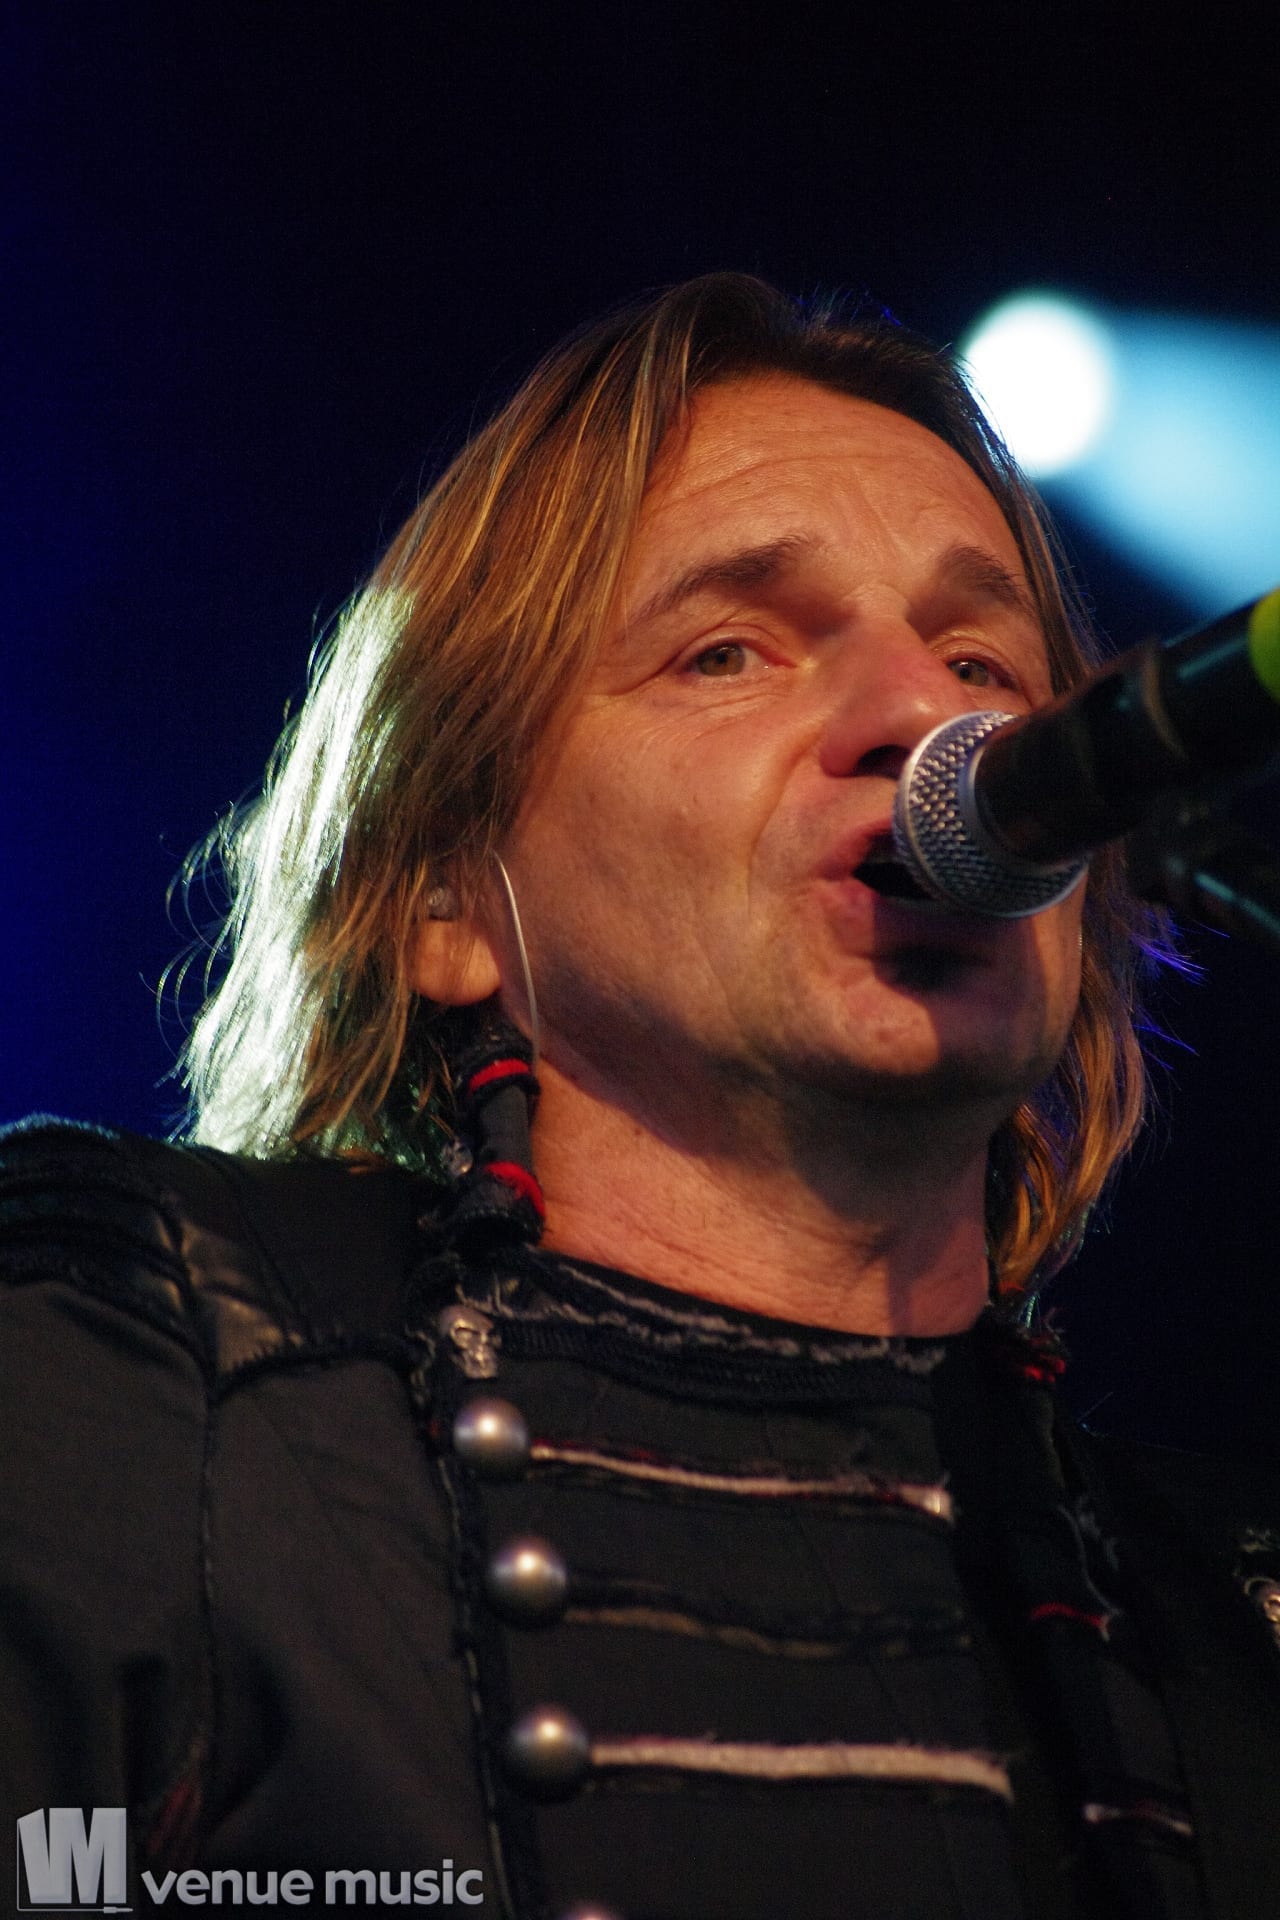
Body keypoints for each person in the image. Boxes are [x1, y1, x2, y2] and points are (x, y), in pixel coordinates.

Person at [3, 273, 1279, 1920]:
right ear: (446, 895)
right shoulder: (144, 1357)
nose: (925, 717)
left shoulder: (1223, 1611)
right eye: (726, 651)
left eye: (983, 658)